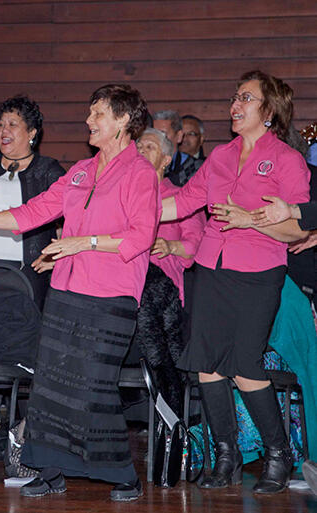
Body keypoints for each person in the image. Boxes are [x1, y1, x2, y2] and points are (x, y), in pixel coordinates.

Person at [0, 83, 157, 501]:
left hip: (111, 295)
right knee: (52, 385)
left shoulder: (139, 172)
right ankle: (52, 470)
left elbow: (141, 236)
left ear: (124, 120)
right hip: (67, 290)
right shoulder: (82, 170)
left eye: (98, 114)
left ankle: (123, 473)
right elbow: (32, 212)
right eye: (90, 112)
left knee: (94, 385)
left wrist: (84, 242)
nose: (89, 120)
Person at [161, 70, 310, 494]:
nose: (235, 104)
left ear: (269, 110)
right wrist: (132, 211)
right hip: (211, 267)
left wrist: (250, 221)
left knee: (245, 365)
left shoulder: (286, 159)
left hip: (258, 272)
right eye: (235, 96)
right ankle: (224, 457)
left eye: (246, 97)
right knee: (207, 364)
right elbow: (183, 202)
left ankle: (278, 454)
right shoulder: (221, 156)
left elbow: (297, 230)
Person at [0, 95, 65, 452]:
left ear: (32, 133)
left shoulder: (49, 170)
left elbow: (72, 216)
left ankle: (20, 433)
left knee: (25, 352)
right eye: (1, 125)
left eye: (13, 125)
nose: (4, 131)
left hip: (29, 275)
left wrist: (60, 253)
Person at [134, 128, 205, 413]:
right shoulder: (121, 198)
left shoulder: (180, 197)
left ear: (166, 160)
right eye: (138, 146)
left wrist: (171, 245)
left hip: (164, 297)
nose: (140, 151)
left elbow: (196, 246)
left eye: (149, 147)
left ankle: (169, 397)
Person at [153, 109, 203, 186]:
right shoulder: (145, 163)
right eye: (153, 134)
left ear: (179, 136)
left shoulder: (197, 167)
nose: (156, 138)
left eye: (162, 134)